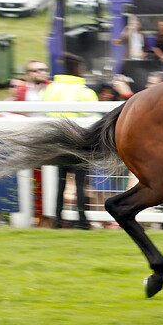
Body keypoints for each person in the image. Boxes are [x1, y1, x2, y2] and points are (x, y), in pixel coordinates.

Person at [42, 53, 98, 229]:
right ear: (77, 69)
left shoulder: (49, 90)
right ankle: (82, 220)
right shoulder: (85, 92)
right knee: (80, 183)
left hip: (58, 142)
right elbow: (94, 120)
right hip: (80, 143)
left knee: (60, 182)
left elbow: (43, 115)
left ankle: (57, 220)